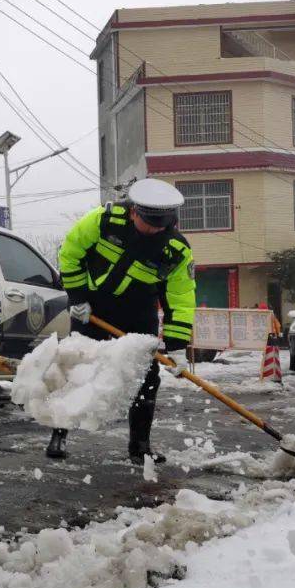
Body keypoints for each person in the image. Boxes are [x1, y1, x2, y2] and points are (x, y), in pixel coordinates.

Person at [46, 178, 197, 463]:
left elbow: (180, 297)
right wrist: (77, 298)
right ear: (133, 212)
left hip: (139, 313)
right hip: (93, 309)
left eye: (160, 225)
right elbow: (70, 254)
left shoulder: (177, 250)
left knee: (147, 377)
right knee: (76, 368)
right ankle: (59, 434)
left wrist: (177, 345)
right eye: (148, 222)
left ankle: (140, 446)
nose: (153, 229)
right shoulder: (102, 221)